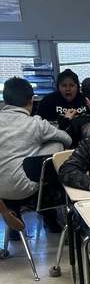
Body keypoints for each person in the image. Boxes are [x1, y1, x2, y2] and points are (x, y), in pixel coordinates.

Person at [0, 77, 71, 220]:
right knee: (56, 145)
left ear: (5, 101)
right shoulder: (36, 124)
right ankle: (49, 211)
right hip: (23, 189)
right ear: (31, 101)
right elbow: (67, 140)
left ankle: (12, 214)